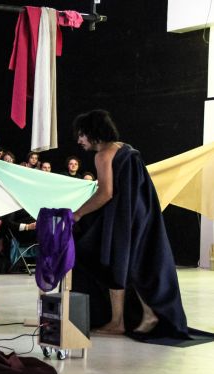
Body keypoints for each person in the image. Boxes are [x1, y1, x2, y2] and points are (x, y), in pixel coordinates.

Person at [71, 109, 188, 338]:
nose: (79, 140)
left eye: (81, 135)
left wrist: (78, 213)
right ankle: (125, 319)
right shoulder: (125, 148)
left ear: (93, 133)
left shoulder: (103, 155)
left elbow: (105, 193)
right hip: (140, 216)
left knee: (111, 262)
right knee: (130, 264)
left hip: (123, 220)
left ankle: (126, 319)